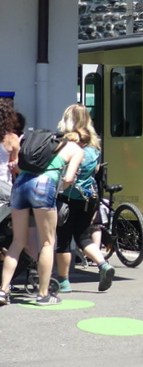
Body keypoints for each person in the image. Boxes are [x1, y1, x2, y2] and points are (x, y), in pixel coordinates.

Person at [1, 110, 82, 306]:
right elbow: (69, 178)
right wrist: (57, 189)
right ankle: (43, 294)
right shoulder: (76, 149)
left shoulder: (43, 144)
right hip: (44, 186)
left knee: (18, 242)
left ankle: (2, 291)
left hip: (20, 185)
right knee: (47, 242)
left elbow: (19, 167)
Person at [52, 104, 113, 293]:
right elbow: (95, 172)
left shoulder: (66, 143)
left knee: (63, 240)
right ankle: (103, 265)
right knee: (83, 236)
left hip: (67, 198)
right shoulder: (94, 145)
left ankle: (63, 282)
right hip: (89, 198)